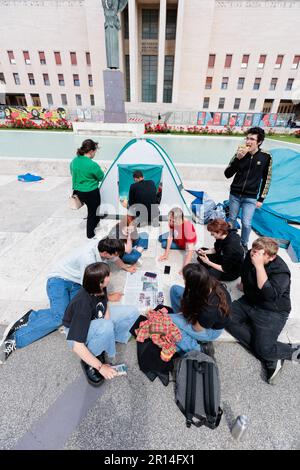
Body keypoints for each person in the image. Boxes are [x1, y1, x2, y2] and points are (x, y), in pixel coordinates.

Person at [0, 237, 134, 363]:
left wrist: (125, 267)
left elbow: (115, 258)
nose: (115, 258)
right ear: (105, 253)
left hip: (75, 281)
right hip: (59, 280)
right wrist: (108, 297)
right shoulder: (88, 260)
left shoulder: (104, 244)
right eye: (113, 255)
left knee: (72, 312)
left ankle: (31, 317)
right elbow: (90, 286)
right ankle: (14, 339)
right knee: (60, 317)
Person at [225, 237, 300, 385]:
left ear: (271, 257)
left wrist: (259, 267)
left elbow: (268, 295)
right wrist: (244, 284)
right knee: (225, 316)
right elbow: (245, 272)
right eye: (253, 252)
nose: (254, 256)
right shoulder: (251, 256)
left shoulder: (281, 272)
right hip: (249, 301)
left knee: (264, 348)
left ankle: (291, 352)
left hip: (272, 311)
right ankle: (267, 354)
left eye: (259, 254)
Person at [63, 262, 139, 386]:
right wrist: (101, 367)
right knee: (105, 326)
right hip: (74, 332)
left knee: (132, 312)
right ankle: (90, 360)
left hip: (96, 318)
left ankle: (107, 338)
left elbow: (104, 305)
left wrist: (108, 325)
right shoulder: (83, 305)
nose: (110, 276)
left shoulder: (100, 287)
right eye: (108, 275)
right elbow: (77, 345)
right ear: (99, 282)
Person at [224, 127, 272, 252]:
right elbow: (227, 174)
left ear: (259, 142)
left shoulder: (266, 157)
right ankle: (230, 241)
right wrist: (238, 159)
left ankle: (244, 244)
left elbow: (267, 179)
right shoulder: (239, 153)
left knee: (246, 223)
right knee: (232, 220)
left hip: (250, 197)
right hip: (235, 194)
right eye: (247, 138)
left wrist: (261, 198)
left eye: (252, 139)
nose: (248, 142)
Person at [169, 264, 231, 354]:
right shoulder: (209, 281)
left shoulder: (209, 310)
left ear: (193, 285)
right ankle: (180, 322)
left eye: (185, 280)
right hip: (201, 313)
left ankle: (197, 348)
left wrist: (188, 315)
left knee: (167, 320)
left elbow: (197, 328)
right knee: (174, 289)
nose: (184, 282)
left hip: (209, 331)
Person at [70, 139, 104, 239]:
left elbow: (73, 173)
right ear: (91, 151)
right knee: (92, 212)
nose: (95, 154)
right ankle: (90, 235)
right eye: (95, 152)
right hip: (91, 192)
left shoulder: (74, 161)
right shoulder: (92, 164)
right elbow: (101, 177)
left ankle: (96, 223)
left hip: (78, 192)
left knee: (92, 210)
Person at [158, 207, 197, 273]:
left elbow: (190, 250)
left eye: (173, 221)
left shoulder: (188, 227)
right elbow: (170, 236)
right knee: (160, 238)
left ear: (179, 220)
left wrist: (185, 268)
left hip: (184, 243)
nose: (170, 223)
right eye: (169, 220)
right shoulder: (172, 221)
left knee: (163, 244)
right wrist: (166, 254)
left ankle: (180, 246)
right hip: (177, 236)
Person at [101, 0, 128, 69]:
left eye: (110, 2)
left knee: (114, 47)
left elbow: (116, 4)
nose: (109, 3)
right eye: (108, 2)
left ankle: (115, 65)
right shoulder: (106, 11)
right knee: (109, 48)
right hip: (108, 30)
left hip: (113, 31)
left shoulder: (114, 11)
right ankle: (110, 65)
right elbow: (103, 4)